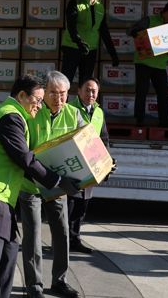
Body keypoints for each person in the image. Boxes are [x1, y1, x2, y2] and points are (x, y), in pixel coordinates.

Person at [0, 75, 80, 298]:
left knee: (9, 252)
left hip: (4, 195)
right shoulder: (10, 117)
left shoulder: (17, 113)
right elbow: (25, 158)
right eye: (37, 100)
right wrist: (57, 181)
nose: (39, 106)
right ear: (21, 95)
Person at [19, 70, 85, 298]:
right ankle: (34, 286)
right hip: (31, 184)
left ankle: (60, 281)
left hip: (59, 185)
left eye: (64, 93)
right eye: (54, 93)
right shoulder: (32, 112)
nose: (59, 98)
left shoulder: (74, 114)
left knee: (62, 233)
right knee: (33, 236)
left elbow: (88, 145)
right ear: (43, 93)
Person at [66, 78, 111, 254]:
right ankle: (63, 240)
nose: (91, 94)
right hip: (74, 163)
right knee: (69, 204)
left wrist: (105, 161)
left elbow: (104, 138)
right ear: (79, 91)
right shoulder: (70, 109)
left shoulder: (99, 112)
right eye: (87, 90)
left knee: (82, 205)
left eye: (94, 91)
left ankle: (75, 239)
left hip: (91, 164)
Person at [129, 0, 168, 126]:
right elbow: (131, 31)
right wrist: (139, 34)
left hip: (160, 65)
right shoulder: (150, 20)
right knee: (141, 92)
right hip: (143, 63)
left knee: (163, 93)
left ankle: (163, 120)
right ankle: (139, 120)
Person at [60, 0, 119, 85]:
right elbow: (71, 25)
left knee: (85, 84)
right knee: (65, 82)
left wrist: (112, 53)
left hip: (90, 50)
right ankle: (62, 100)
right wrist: (78, 42)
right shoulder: (75, 3)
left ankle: (81, 101)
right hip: (72, 47)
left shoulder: (100, 7)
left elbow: (104, 31)